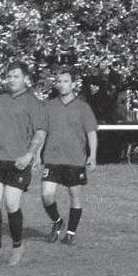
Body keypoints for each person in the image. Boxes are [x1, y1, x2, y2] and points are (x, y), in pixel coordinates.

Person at [0, 63, 47, 266]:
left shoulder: (32, 102)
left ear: (25, 78)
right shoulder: (1, 99)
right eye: (9, 76)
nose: (11, 80)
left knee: (11, 204)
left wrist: (30, 154)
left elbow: (40, 131)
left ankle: (18, 247)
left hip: (18, 160)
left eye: (16, 76)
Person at [40, 68, 98, 246]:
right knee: (46, 194)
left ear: (73, 84)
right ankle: (57, 221)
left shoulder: (83, 107)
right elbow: (42, 131)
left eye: (66, 81)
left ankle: (71, 232)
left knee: (75, 196)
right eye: (59, 81)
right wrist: (36, 153)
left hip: (75, 159)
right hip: (52, 158)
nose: (62, 84)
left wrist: (93, 155)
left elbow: (91, 132)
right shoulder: (49, 106)